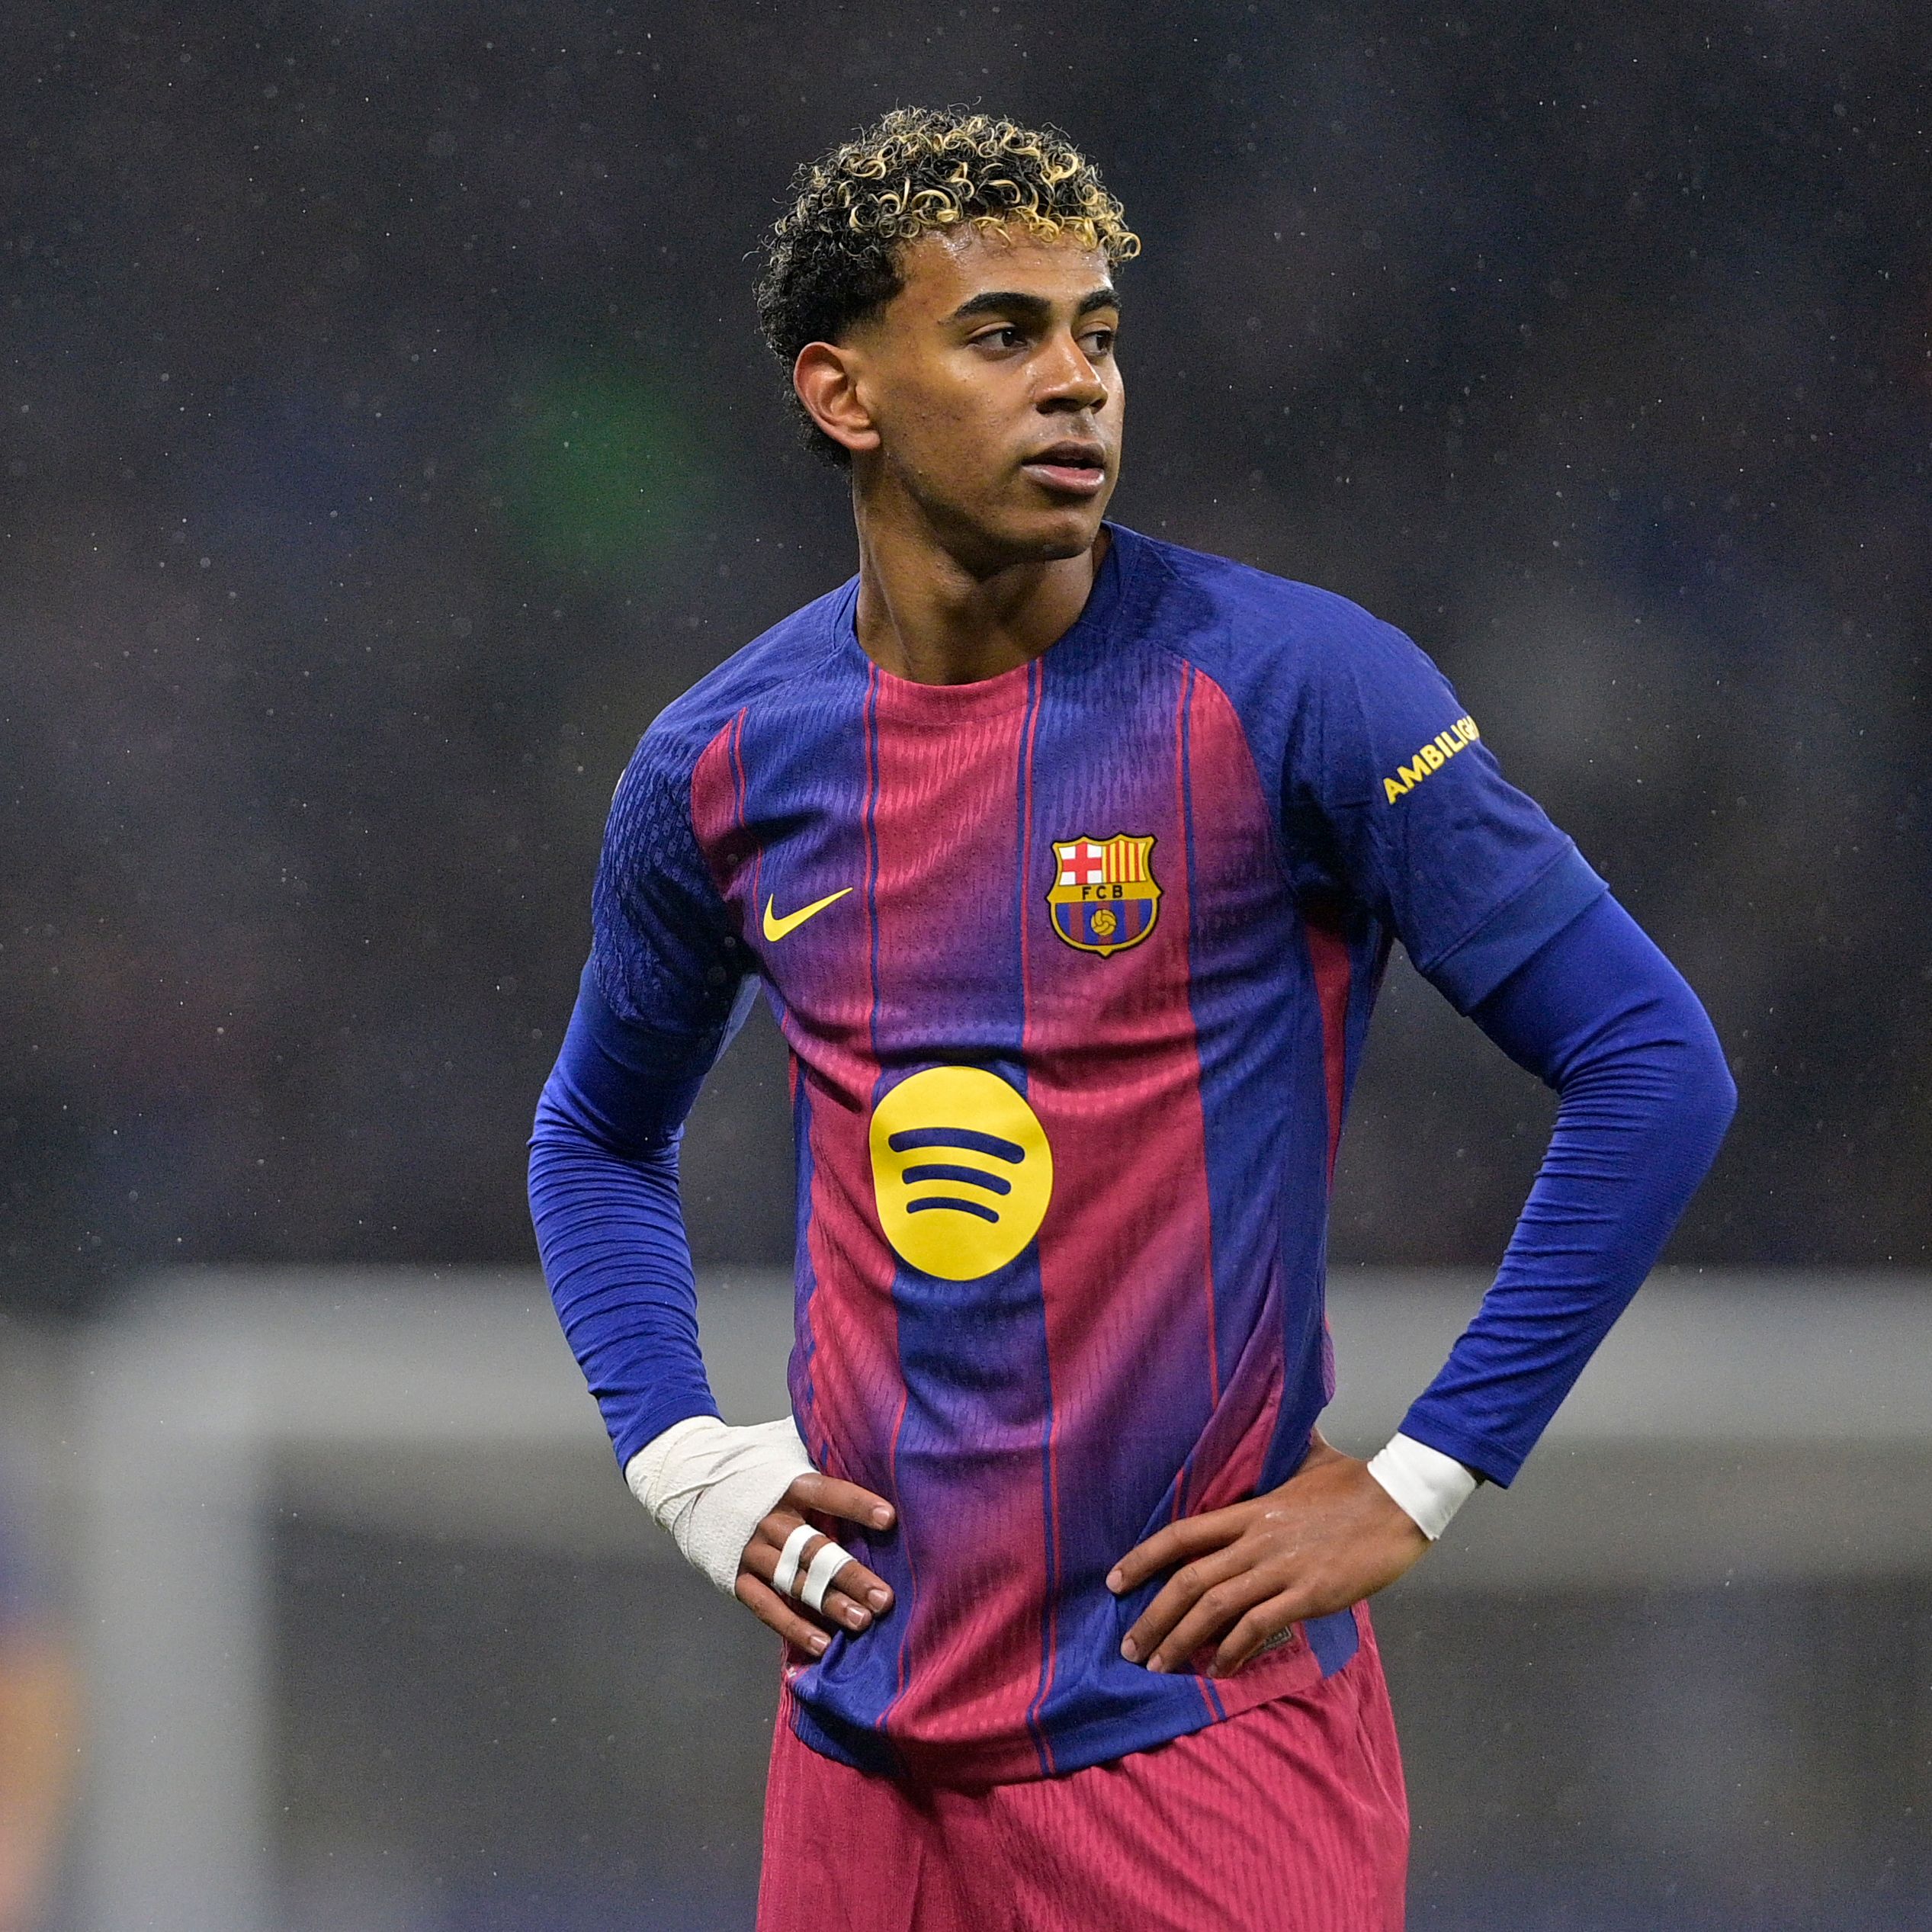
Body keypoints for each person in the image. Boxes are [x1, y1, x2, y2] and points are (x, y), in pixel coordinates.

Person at [528, 106, 1735, 1931]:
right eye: (1001, 334)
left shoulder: (1296, 688)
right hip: (856, 1745)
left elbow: (1651, 1064)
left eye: (1095, 334)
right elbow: (596, 1135)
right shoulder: (719, 764)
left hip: (1195, 1732)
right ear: (843, 394)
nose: (1075, 381)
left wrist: (1422, 1474)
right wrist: (686, 1460)